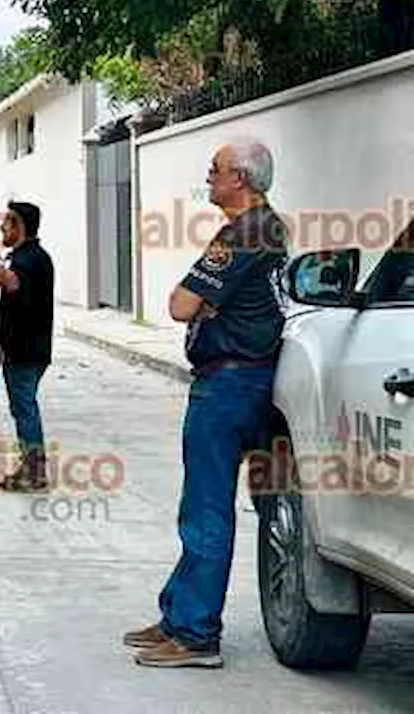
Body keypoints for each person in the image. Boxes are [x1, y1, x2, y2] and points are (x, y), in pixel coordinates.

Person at [125, 139, 288, 669]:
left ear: (239, 177)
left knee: (206, 509)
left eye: (215, 170)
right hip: (246, 379)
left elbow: (180, 304)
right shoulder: (267, 227)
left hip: (228, 386)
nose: (208, 177)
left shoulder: (242, 234)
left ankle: (195, 635)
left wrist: (208, 306)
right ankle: (179, 615)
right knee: (201, 506)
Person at [0, 201, 55, 492]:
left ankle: (34, 470)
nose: (2, 228)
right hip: (19, 347)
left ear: (20, 226)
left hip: (29, 348)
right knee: (22, 407)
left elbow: (11, 284)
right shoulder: (21, 256)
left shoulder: (32, 259)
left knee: (25, 407)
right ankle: (30, 465)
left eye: (7, 223)